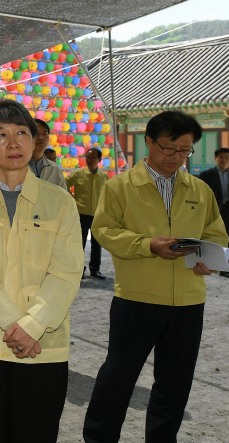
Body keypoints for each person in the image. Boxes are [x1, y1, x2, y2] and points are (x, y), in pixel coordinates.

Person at [83, 111, 229, 443]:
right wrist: (147, 245)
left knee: (175, 383)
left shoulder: (199, 190)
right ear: (149, 142)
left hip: (188, 302)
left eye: (184, 151)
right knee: (118, 378)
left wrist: (211, 258)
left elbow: (217, 233)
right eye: (169, 148)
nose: (176, 158)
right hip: (137, 298)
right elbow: (103, 230)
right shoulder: (121, 186)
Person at [0, 100, 83, 442]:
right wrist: (16, 325)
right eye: (1, 135)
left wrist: (34, 325)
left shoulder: (60, 201)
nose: (13, 143)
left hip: (43, 342)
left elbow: (66, 271)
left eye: (22, 133)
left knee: (36, 431)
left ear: (34, 139)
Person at [65, 147, 110, 279]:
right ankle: (79, 269)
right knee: (80, 244)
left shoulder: (104, 176)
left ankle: (95, 269)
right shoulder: (78, 174)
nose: (89, 160)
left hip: (98, 214)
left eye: (93, 158)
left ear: (100, 160)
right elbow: (64, 183)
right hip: (81, 213)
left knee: (97, 244)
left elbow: (109, 193)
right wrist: (71, 199)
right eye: (88, 158)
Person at [199, 147, 229, 277]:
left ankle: (226, 268)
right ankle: (216, 265)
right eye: (221, 157)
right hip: (214, 210)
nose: (224, 160)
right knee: (215, 238)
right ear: (216, 158)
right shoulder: (206, 175)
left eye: (227, 157)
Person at [29, 118, 67, 190]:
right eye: (36, 134)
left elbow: (63, 198)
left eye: (45, 134)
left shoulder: (54, 169)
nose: (41, 137)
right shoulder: (16, 166)